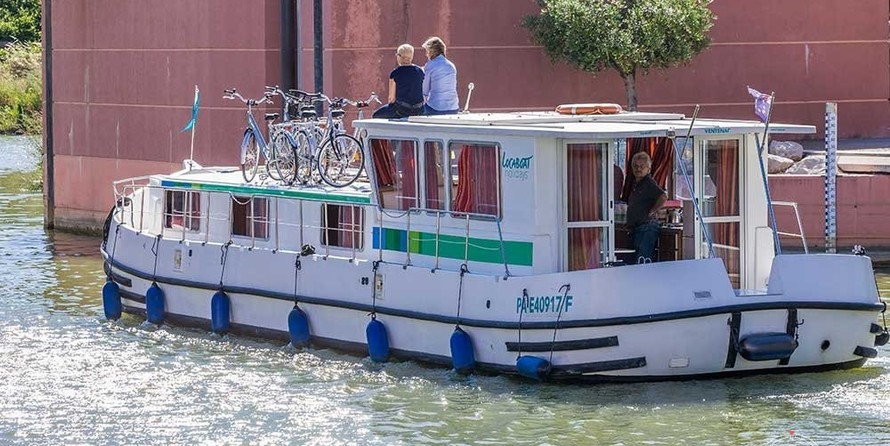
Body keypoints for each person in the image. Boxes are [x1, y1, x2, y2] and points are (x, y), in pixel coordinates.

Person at [626, 152, 666, 263]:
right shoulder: (637, 184)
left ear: (648, 168)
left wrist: (652, 211)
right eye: (635, 166)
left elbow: (663, 197)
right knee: (638, 260)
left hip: (646, 228)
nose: (638, 169)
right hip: (638, 228)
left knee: (642, 260)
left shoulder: (648, 182)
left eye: (642, 166)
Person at [372, 44, 425, 119]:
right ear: (411, 56)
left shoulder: (395, 73)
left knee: (375, 115)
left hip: (402, 110)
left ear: (399, 56)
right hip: (419, 110)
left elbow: (391, 99)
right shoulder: (420, 71)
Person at [421, 36, 459, 115]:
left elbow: (424, 91)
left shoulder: (430, 65)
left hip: (435, 108)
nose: (426, 54)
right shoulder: (451, 65)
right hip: (453, 108)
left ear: (432, 51)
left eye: (427, 51)